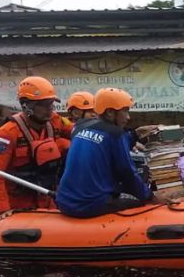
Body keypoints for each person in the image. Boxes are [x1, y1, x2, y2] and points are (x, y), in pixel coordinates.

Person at [56, 88, 156, 217]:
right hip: (89, 205)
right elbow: (127, 173)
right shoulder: (115, 134)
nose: (128, 117)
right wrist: (150, 197)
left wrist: (135, 135)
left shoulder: (79, 128)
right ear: (109, 113)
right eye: (125, 111)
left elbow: (104, 140)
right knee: (139, 201)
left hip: (64, 202)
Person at [0, 76, 69, 220]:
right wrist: (1, 211)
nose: (50, 108)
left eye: (51, 103)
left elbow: (77, 132)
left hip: (49, 200)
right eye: (44, 104)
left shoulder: (56, 121)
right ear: (27, 106)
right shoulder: (6, 134)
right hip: (18, 204)